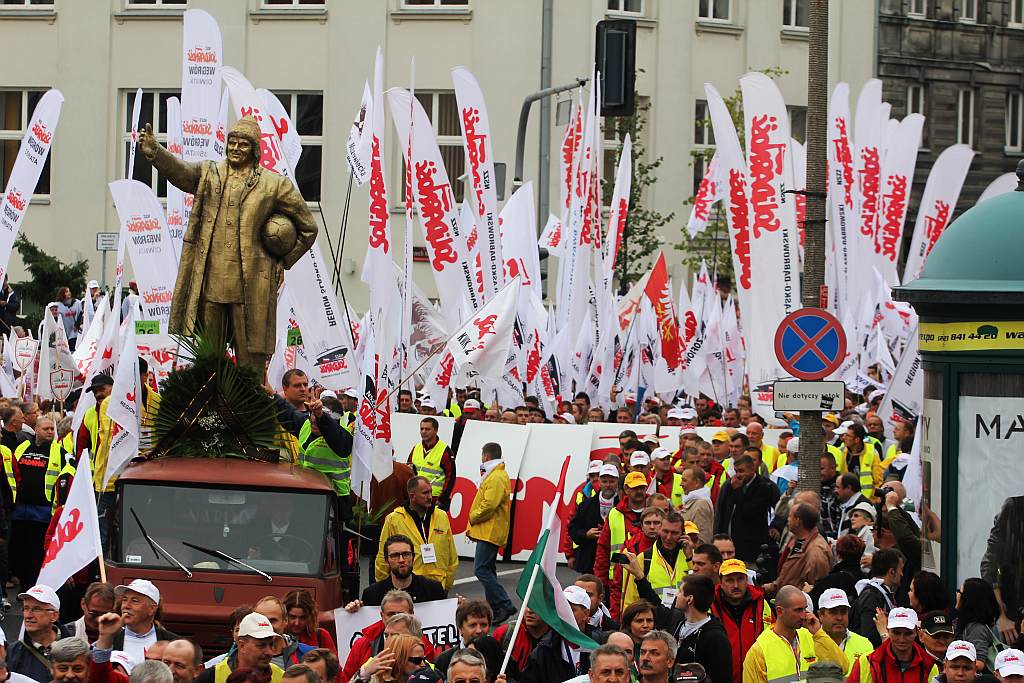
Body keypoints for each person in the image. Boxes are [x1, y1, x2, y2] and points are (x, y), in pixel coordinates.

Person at [139, 116, 318, 371]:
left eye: (242, 144)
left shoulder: (274, 184)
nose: (235, 148)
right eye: (232, 143)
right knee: (209, 360)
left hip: (252, 285)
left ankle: (248, 409)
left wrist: (283, 262)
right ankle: (211, 408)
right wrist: (156, 153)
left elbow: (308, 228)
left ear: (255, 149)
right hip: (212, 282)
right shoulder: (210, 173)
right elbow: (183, 173)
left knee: (250, 362)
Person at [741, 585, 845, 683]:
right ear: (780, 611)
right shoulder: (759, 650)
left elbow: (842, 668)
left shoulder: (813, 637)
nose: (804, 616)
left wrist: (818, 633)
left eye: (805, 609)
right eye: (798, 610)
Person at [375, 476, 457, 591]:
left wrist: (446, 586)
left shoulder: (442, 516)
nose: (430, 497)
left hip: (437, 586)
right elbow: (382, 558)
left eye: (430, 492)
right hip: (407, 586)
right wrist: (384, 589)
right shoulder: (394, 520)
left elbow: (452, 556)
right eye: (425, 493)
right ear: (412, 496)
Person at [467, 442, 515, 625]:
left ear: (486, 456)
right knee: (487, 570)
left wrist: (473, 517)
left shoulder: (495, 477)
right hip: (489, 530)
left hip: (490, 530)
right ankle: (496, 608)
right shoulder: (497, 474)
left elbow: (489, 504)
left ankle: (505, 604)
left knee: (481, 570)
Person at [5, 415, 55, 587]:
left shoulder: (58, 451)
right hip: (19, 512)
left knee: (36, 555)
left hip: (43, 513)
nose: (50, 432)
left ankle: (33, 587)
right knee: (18, 552)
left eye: (52, 429)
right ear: (36, 430)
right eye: (46, 429)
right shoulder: (22, 447)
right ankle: (23, 586)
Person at [710, 560, 771, 683]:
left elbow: (771, 640)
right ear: (720, 582)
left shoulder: (761, 603)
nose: (736, 585)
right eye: (730, 580)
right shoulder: (710, 604)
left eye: (740, 579)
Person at [520, 586, 594, 683]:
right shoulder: (544, 649)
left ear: (586, 614)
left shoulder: (599, 644)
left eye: (571, 609)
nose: (564, 613)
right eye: (562, 608)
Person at [714, 455, 780, 563]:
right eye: (736, 471)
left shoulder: (764, 486)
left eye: (741, 471)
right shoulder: (730, 484)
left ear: (752, 469)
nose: (738, 475)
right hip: (730, 543)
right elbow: (721, 512)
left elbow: (748, 512)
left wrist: (738, 491)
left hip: (752, 546)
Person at [621, 511, 690, 611]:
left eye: (674, 533)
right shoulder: (644, 558)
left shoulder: (691, 557)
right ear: (659, 530)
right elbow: (631, 599)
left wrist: (690, 558)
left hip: (685, 621)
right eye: (665, 531)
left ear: (683, 534)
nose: (668, 537)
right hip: (652, 621)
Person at [848, 607, 938, 682]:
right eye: (896, 633)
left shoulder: (929, 666)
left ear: (917, 632)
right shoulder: (866, 662)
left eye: (907, 633)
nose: (902, 639)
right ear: (887, 630)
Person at [762, 503, 832, 597]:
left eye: (790, 516)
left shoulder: (816, 552)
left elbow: (815, 589)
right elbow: (786, 578)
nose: (787, 519)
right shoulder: (795, 540)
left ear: (798, 520)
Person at [609, 506, 666, 622]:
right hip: (634, 611)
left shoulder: (669, 549)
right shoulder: (629, 549)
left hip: (661, 609)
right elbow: (617, 584)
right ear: (641, 525)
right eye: (647, 523)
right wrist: (615, 617)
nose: (652, 527)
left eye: (657, 523)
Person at [194, 612, 286, 683]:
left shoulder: (283, 678)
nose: (269, 652)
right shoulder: (212, 676)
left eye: (271, 644)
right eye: (261, 646)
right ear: (242, 646)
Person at [595, 472, 650, 589]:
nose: (639, 491)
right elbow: (603, 549)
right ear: (626, 489)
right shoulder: (614, 514)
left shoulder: (655, 511)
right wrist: (601, 582)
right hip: (618, 577)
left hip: (649, 575)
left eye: (642, 487)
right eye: (635, 488)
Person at [359, 535, 447, 606]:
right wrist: (353, 612)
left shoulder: (433, 589)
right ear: (386, 561)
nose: (401, 560)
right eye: (395, 555)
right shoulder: (372, 594)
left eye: (406, 554)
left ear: (413, 557)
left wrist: (458, 608)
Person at [9, 584, 69, 681]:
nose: (28, 615)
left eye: (36, 609)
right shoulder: (13, 651)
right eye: (26, 608)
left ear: (54, 616)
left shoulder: (74, 647)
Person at [570, 464, 621, 576]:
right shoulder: (585, 505)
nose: (608, 485)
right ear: (599, 482)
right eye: (605, 481)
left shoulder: (623, 505)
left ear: (617, 481)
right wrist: (586, 534)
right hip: (589, 562)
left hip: (615, 562)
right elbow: (572, 529)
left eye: (612, 481)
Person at [111, 581, 177, 660]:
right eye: (124, 600)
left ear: (152, 609)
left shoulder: (172, 642)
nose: (126, 606)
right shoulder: (110, 639)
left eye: (135, 601)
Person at [852, 548, 904, 647]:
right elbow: (868, 636)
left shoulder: (881, 592)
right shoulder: (872, 596)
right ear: (892, 572)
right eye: (901, 569)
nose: (902, 574)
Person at [816, 589, 872, 675]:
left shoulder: (864, 644)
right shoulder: (809, 642)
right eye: (833, 612)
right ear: (820, 615)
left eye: (843, 612)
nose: (839, 617)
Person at [433, 601, 492, 677]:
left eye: (483, 625)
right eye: (472, 625)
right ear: (460, 628)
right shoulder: (443, 661)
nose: (479, 630)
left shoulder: (502, 658)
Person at [407, 418, 455, 511]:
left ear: (436, 430)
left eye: (427, 429)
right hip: (416, 499)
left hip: (435, 500)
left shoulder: (445, 451)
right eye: (422, 429)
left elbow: (451, 477)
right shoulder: (416, 448)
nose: (423, 432)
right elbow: (408, 471)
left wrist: (442, 499)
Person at [955, 578, 1002, 674]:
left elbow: (979, 663)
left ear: (969, 600)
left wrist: (952, 666)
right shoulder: (965, 623)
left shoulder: (977, 628)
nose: (957, 594)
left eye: (960, 592)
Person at [493, 607, 548, 682]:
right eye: (527, 604)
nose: (529, 610)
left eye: (536, 604)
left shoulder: (559, 642)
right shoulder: (505, 633)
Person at [351, 633, 431, 683]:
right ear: (399, 659)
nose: (423, 665)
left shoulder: (430, 677)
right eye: (417, 660)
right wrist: (364, 673)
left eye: (424, 659)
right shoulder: (373, 679)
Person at [837, 423, 881, 501]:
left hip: (867, 499)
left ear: (857, 440)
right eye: (844, 435)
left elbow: (878, 480)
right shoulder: (841, 450)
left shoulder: (872, 452)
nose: (844, 438)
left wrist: (873, 500)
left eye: (848, 436)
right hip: (845, 498)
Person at [282, 590, 335, 654]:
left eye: (302, 618)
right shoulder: (276, 637)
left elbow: (334, 663)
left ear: (310, 616)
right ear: (284, 615)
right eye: (292, 617)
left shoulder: (321, 636)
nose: (297, 623)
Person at [679, 467, 714, 545]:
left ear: (697, 482)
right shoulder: (695, 502)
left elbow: (703, 539)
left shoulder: (701, 504)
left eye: (684, 480)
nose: (680, 484)